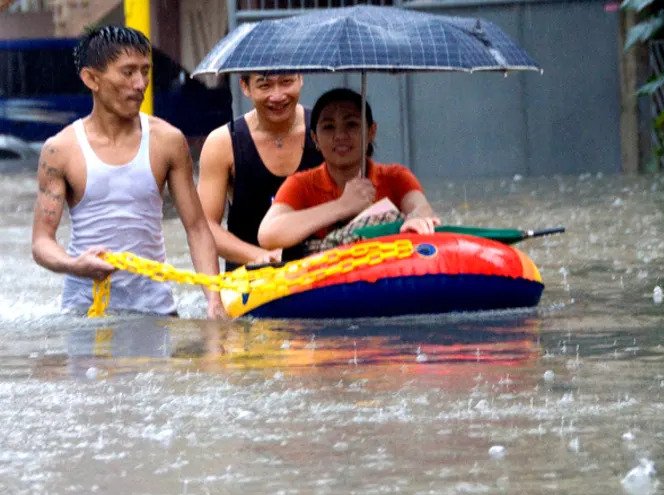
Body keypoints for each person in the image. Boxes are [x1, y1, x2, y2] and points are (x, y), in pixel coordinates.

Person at [31, 25, 226, 319]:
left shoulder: (168, 140)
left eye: (145, 71)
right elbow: (42, 241)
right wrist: (75, 264)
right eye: (128, 72)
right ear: (91, 78)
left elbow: (197, 228)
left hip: (155, 308)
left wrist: (214, 298)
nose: (140, 83)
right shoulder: (60, 149)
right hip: (84, 311)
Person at [257, 87, 439, 250]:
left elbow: (421, 208)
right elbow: (268, 235)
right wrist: (342, 206)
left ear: (371, 131)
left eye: (351, 124)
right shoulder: (301, 184)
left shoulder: (396, 177)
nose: (340, 135)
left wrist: (415, 218)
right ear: (315, 138)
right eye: (329, 127)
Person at [196, 73, 323, 270]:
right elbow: (204, 227)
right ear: (245, 87)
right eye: (265, 86)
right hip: (250, 277)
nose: (278, 96)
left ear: (301, 79)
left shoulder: (328, 130)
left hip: (323, 271)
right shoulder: (222, 143)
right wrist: (261, 256)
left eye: (286, 82)